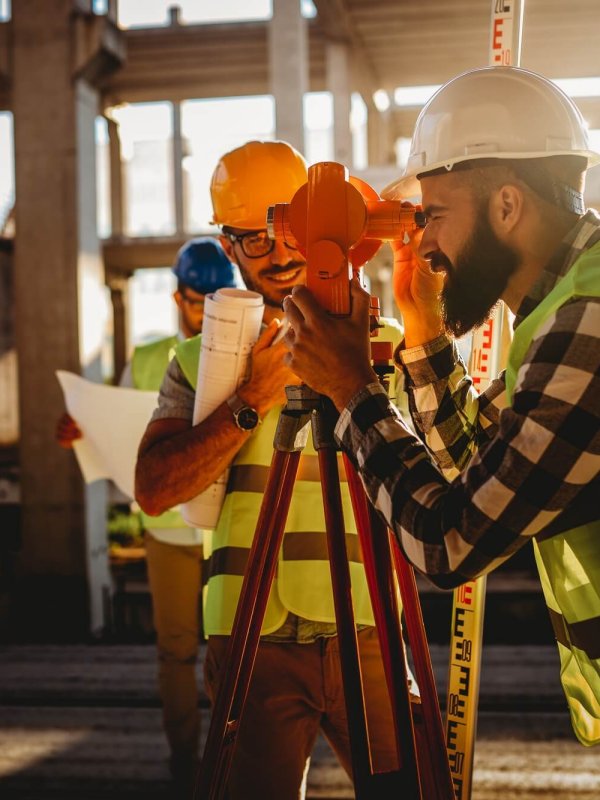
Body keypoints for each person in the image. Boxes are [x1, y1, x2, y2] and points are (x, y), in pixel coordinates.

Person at [281, 66, 600, 748]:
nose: (423, 244)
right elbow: (476, 467)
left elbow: (451, 540)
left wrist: (350, 389)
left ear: (507, 205)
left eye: (435, 216)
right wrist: (423, 326)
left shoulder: (589, 323)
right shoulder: (565, 309)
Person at [134, 140, 422, 799]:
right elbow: (154, 491)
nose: (280, 252)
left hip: (369, 626)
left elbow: (440, 472)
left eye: (289, 229)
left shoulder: (386, 345)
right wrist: (250, 399)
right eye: (254, 239)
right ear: (229, 247)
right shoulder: (198, 362)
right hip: (250, 636)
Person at [56, 237, 239, 792]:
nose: (207, 313)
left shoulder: (249, 351)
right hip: (169, 529)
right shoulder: (148, 359)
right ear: (178, 298)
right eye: (198, 301)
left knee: (238, 654)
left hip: (231, 526)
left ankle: (233, 760)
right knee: (176, 652)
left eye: (217, 301)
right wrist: (83, 428)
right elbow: (116, 423)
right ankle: (186, 763)